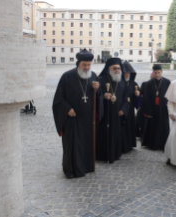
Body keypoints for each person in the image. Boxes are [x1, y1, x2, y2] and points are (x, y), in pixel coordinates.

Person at [52, 49, 101, 178]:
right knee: (72, 146)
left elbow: (98, 98)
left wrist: (98, 90)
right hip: (72, 120)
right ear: (78, 63)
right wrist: (67, 109)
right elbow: (58, 99)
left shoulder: (94, 76)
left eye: (89, 65)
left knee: (86, 145)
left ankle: (87, 167)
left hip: (88, 120)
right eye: (84, 65)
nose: (87, 68)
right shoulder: (67, 77)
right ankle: (71, 170)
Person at [96, 58, 129, 163]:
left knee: (116, 134)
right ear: (108, 69)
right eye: (114, 68)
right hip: (105, 114)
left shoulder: (122, 82)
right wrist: (102, 95)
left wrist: (124, 109)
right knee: (103, 134)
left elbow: (127, 98)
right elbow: (94, 95)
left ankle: (115, 154)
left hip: (117, 115)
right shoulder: (100, 80)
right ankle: (102, 155)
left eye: (119, 68)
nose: (117, 70)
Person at [142, 64, 170, 150]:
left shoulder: (167, 82)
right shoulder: (149, 83)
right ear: (153, 73)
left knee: (163, 126)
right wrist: (148, 111)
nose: (157, 74)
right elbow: (146, 98)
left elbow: (170, 96)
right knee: (152, 126)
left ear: (161, 72)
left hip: (163, 108)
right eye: (155, 73)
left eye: (158, 72)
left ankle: (163, 144)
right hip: (153, 109)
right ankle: (152, 144)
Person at [121, 61, 140, 153]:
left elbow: (139, 97)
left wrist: (138, 94)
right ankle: (122, 145)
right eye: (125, 72)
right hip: (122, 108)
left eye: (128, 73)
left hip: (131, 109)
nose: (126, 74)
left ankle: (130, 144)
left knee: (130, 126)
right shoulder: (119, 83)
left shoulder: (134, 83)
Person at [136, 72, 154, 138]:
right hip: (144, 105)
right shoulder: (145, 84)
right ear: (150, 76)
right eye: (153, 75)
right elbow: (140, 94)